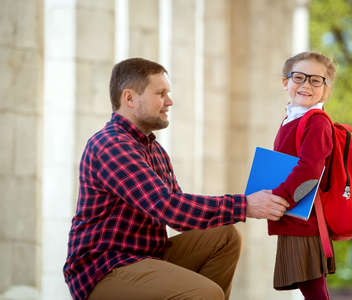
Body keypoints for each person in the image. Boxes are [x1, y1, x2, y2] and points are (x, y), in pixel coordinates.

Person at [63, 57, 289, 300]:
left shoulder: (153, 149)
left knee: (225, 237)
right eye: (161, 93)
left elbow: (181, 217)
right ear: (129, 98)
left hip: (148, 256)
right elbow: (168, 207)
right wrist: (245, 205)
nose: (169, 102)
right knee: (205, 293)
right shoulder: (111, 145)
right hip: (104, 269)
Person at [268, 52, 337, 300]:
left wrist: (277, 197)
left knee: (313, 287)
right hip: (294, 215)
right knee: (309, 287)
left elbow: (310, 169)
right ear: (286, 82)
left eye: (316, 80)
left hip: (305, 220)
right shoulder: (291, 118)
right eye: (299, 77)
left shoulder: (316, 122)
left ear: (325, 89)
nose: (306, 85)